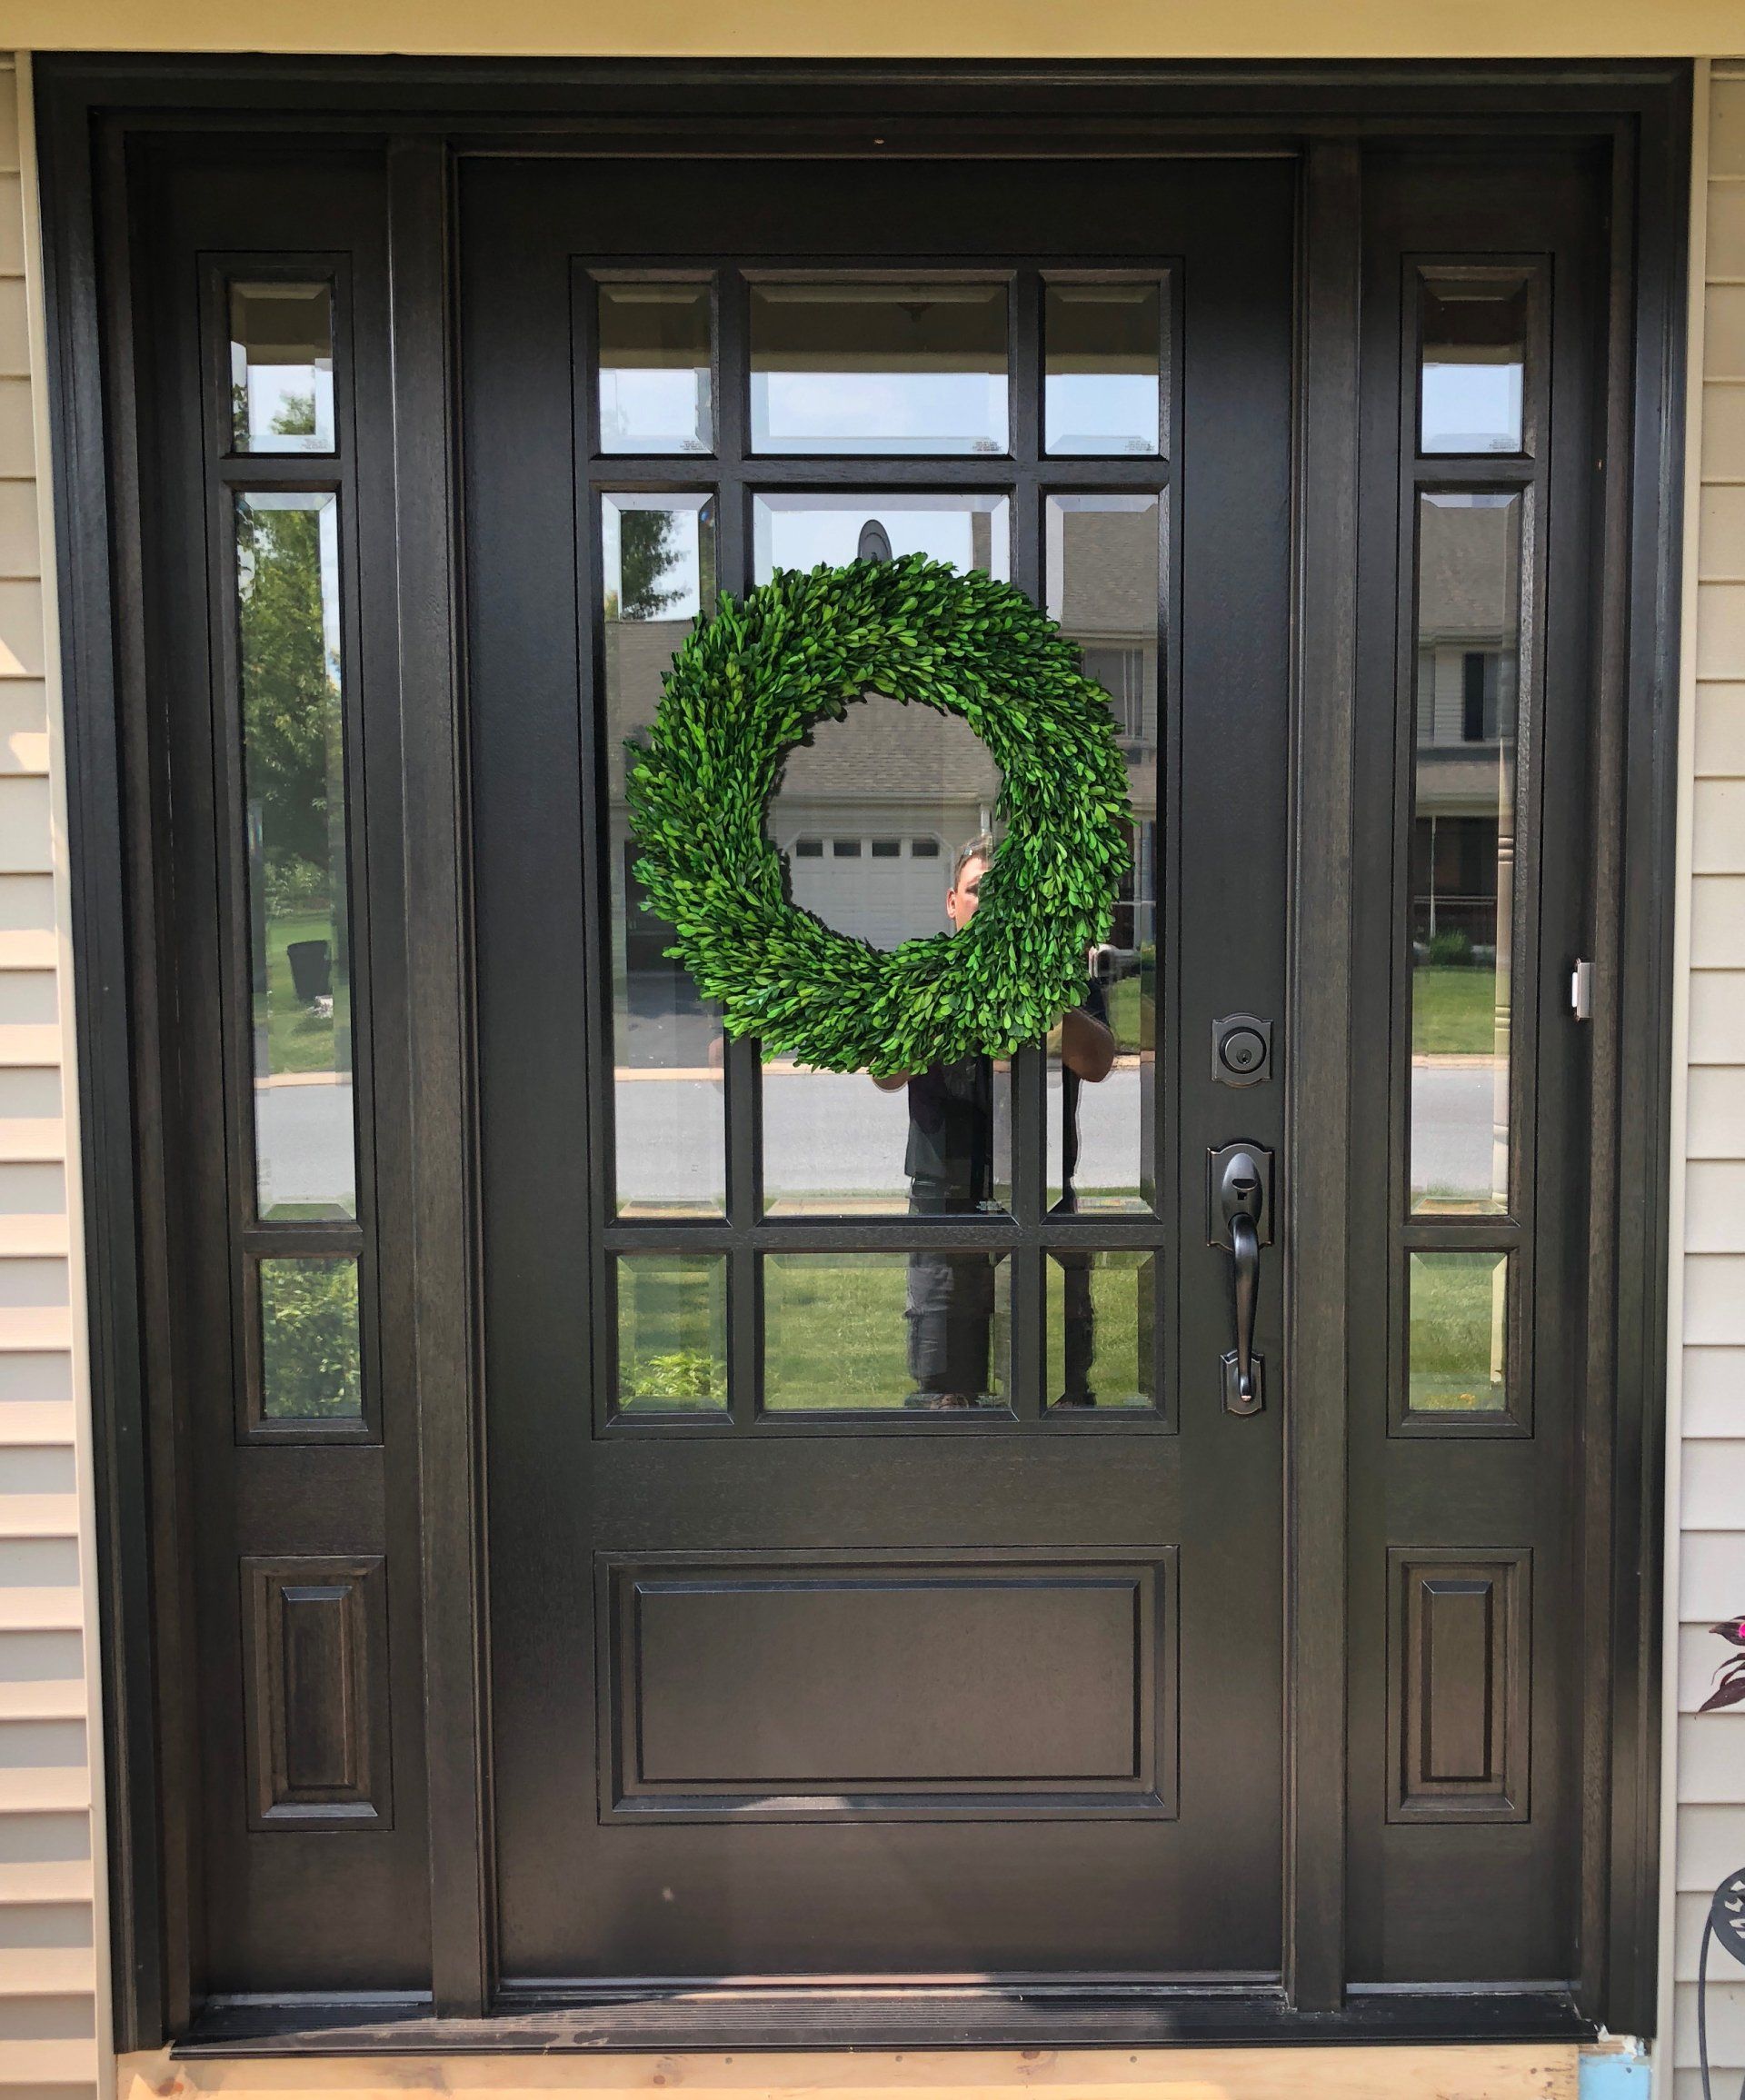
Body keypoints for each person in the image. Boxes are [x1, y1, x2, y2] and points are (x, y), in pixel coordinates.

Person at [874, 836, 1114, 1408]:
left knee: (1055, 1378)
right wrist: (940, 1001)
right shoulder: (923, 974)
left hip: (1043, 1195)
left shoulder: (1059, 976)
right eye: (979, 889)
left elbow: (1098, 1061)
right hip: (942, 1199)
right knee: (943, 1385)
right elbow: (885, 1073)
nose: (991, 902)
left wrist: (1039, 992)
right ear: (952, 903)